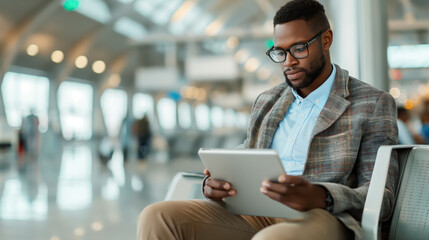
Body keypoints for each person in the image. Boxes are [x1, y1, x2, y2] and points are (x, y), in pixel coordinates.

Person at [137, 1, 398, 239]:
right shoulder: (267, 101)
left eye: (299, 48)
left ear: (326, 39)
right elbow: (248, 153)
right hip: (257, 210)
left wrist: (322, 196)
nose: (289, 62)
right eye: (280, 52)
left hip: (324, 216)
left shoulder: (371, 103)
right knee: (156, 217)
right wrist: (216, 181)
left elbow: (382, 196)